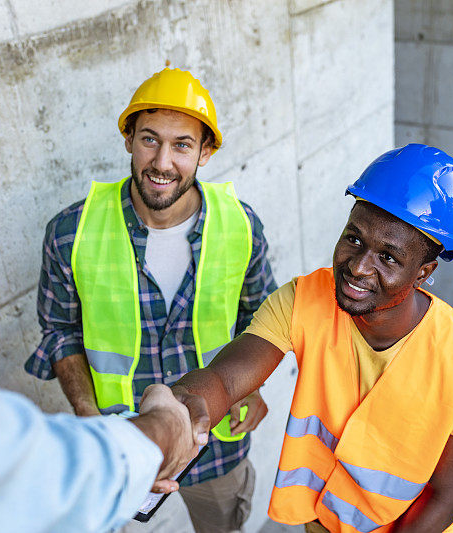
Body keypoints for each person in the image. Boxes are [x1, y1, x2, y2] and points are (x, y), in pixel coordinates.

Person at [164, 144, 453, 533]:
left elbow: (446, 496)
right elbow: (224, 379)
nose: (358, 267)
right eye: (354, 239)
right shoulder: (304, 300)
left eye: (388, 258)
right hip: (324, 523)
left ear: (423, 272)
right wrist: (173, 415)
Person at [24, 67, 276, 532]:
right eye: (149, 140)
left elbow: (263, 319)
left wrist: (252, 386)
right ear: (128, 140)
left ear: (206, 150)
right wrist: (87, 415)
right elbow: (59, 332)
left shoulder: (241, 226)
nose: (162, 162)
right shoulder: (70, 232)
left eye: (182, 144)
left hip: (215, 440)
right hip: (120, 437)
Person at [0, 262, 209, 533]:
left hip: (212, 447)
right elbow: (6, 478)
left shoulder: (236, 219)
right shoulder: (72, 229)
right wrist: (161, 430)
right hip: (110, 445)